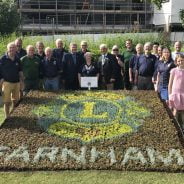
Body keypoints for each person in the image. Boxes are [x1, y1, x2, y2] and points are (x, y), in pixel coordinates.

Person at [0, 42, 24, 118]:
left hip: (16, 83)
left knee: (15, 101)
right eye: (10, 47)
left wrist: (22, 80)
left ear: (16, 49)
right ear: (7, 49)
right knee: (7, 102)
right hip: (7, 83)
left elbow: (20, 70)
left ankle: (13, 114)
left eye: (13, 47)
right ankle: (7, 116)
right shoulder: (3, 59)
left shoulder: (17, 59)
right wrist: (1, 78)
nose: (12, 49)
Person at [168, 54, 184, 127]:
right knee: (175, 111)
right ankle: (175, 127)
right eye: (179, 61)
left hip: (183, 94)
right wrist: (170, 95)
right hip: (175, 94)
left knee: (183, 112)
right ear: (176, 62)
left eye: (182, 60)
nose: (180, 62)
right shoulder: (173, 70)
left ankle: (182, 127)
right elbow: (170, 84)